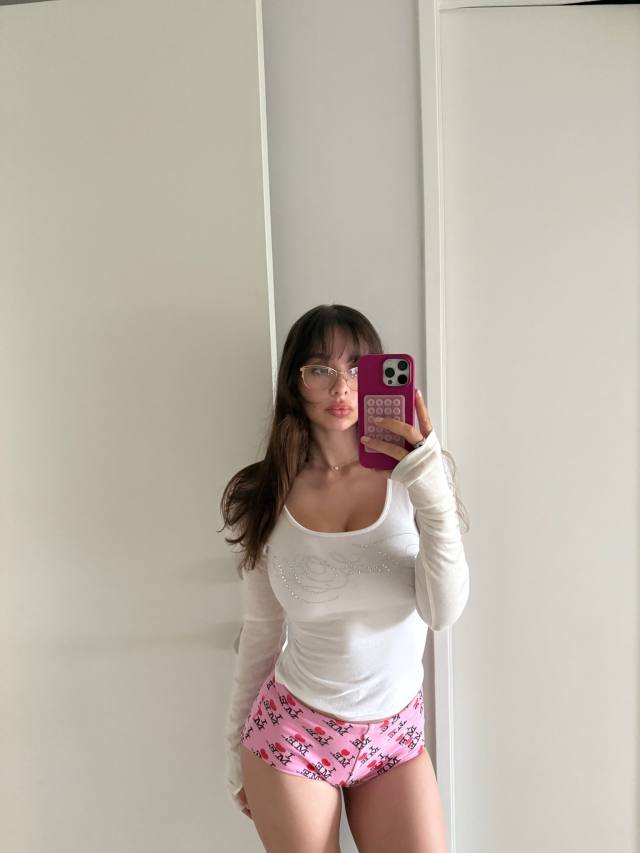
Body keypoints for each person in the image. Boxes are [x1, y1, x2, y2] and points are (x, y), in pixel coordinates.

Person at [219, 304, 470, 852]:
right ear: (295, 382)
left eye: (357, 368)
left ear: (380, 374)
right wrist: (235, 749)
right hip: (293, 738)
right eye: (321, 369)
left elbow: (443, 611)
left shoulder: (414, 479)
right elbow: (261, 632)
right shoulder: (265, 493)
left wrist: (429, 480)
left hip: (395, 739)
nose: (342, 386)